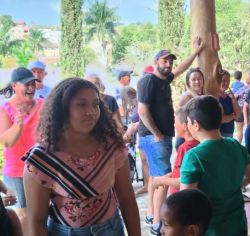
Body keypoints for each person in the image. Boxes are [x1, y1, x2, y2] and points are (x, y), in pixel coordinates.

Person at [23, 78, 140, 236]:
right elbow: (36, 220)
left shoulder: (112, 147)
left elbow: (127, 200)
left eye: (95, 104)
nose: (91, 112)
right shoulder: (42, 159)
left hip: (111, 229)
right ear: (62, 109)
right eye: (81, 104)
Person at [137, 36, 203, 235]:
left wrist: (196, 52)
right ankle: (157, 223)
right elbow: (142, 110)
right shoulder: (148, 80)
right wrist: (157, 133)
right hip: (154, 138)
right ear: (156, 62)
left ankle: (152, 214)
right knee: (163, 181)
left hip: (161, 137)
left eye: (170, 61)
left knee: (158, 178)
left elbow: (181, 69)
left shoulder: (164, 79)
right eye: (164, 61)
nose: (168, 64)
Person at [180, 95, 250, 236]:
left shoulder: (193, 156)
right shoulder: (234, 144)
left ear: (196, 124)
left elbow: (187, 200)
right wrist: (235, 185)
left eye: (188, 122)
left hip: (211, 229)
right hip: (238, 224)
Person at [0, 67, 44, 232]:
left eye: (33, 83)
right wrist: (18, 126)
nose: (31, 87)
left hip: (42, 169)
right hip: (17, 172)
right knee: (23, 217)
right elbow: (6, 142)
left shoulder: (43, 104)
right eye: (27, 84)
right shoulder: (5, 109)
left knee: (42, 214)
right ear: (14, 86)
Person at [153, 108, 199, 194]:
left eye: (175, 122)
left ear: (185, 126)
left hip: (180, 197)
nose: (174, 125)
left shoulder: (185, 148)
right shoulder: (198, 143)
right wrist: (170, 175)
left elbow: (184, 181)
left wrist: (161, 180)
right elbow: (183, 171)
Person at [235, 72, 250, 142]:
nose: (245, 78)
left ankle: (238, 148)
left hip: (241, 110)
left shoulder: (245, 88)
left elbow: (236, 96)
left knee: (239, 131)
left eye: (248, 77)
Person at [219, 70, 241, 137]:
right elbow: (221, 119)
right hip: (219, 133)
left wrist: (233, 99)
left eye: (228, 81)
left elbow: (238, 114)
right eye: (224, 80)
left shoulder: (228, 96)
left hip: (229, 132)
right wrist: (233, 116)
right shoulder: (215, 97)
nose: (226, 83)